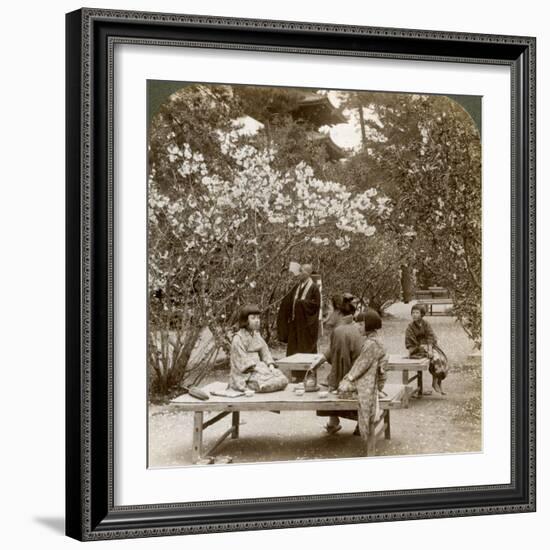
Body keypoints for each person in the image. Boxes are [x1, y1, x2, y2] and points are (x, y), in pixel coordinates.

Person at [308, 293, 364, 434]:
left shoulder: (340, 331)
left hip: (354, 376)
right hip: (362, 372)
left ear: (338, 311)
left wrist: (333, 384)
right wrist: (321, 359)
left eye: (330, 309)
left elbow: (341, 362)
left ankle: (355, 421)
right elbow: (335, 350)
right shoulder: (353, 325)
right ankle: (337, 422)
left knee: (328, 386)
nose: (328, 313)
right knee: (331, 380)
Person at [337, 308, 388, 441]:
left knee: (342, 390)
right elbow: (361, 364)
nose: (357, 327)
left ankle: (361, 424)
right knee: (343, 385)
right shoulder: (374, 340)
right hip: (375, 377)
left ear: (369, 326)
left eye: (360, 325)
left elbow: (361, 366)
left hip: (374, 381)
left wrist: (348, 379)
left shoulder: (372, 343)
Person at [229, 304, 287, 392]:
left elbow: (265, 353)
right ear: (245, 320)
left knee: (282, 379)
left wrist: (270, 366)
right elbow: (242, 362)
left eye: (258, 318)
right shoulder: (238, 338)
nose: (257, 321)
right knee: (264, 384)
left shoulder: (257, 335)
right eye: (253, 318)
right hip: (245, 374)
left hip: (261, 369)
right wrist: (258, 369)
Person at [276, 263, 321, 356]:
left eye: (301, 271)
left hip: (306, 326)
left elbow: (316, 306)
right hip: (295, 323)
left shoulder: (314, 288)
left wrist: (300, 303)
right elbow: (289, 301)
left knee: (305, 351)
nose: (299, 273)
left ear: (308, 273)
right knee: (293, 349)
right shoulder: (297, 286)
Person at [405, 303, 448, 394]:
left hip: (428, 347)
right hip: (416, 349)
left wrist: (429, 348)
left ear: (422, 314)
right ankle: (435, 383)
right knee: (435, 359)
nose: (414, 315)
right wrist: (421, 347)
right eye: (413, 313)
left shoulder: (426, 324)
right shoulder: (410, 327)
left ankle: (437, 381)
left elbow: (430, 336)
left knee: (441, 358)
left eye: (417, 313)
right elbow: (410, 341)